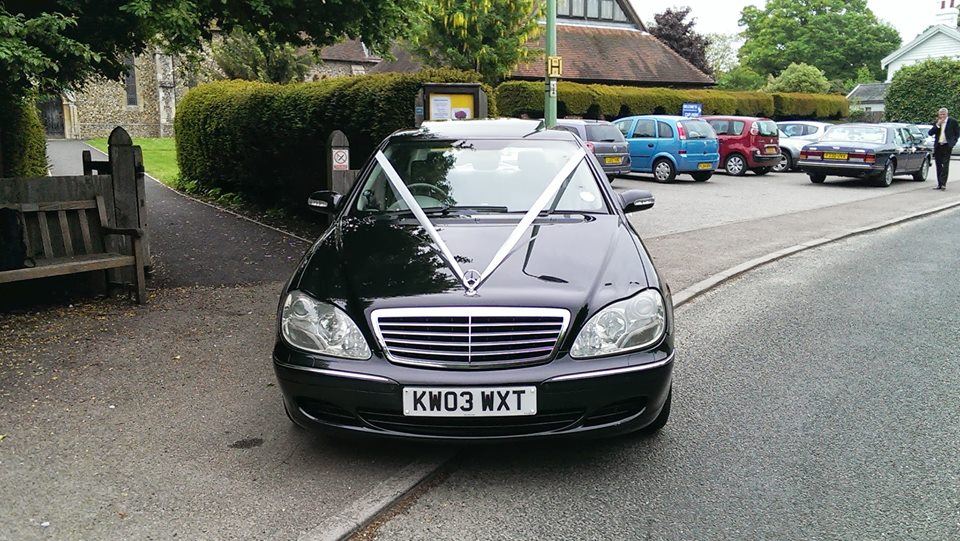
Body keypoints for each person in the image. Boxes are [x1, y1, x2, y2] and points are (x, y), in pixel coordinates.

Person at [928, 108, 959, 190]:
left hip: (947, 146)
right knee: (938, 165)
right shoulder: (937, 122)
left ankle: (943, 184)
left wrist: (952, 143)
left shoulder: (953, 122)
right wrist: (938, 125)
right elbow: (930, 133)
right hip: (938, 145)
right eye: (940, 114)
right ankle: (939, 184)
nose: (942, 116)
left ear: (947, 114)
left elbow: (957, 133)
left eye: (944, 114)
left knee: (945, 165)